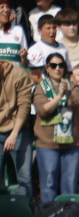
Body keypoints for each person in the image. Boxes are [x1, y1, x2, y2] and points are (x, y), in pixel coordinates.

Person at [32, 53, 79, 202]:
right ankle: (48, 216)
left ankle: (68, 216)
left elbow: (77, 104)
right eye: (53, 65)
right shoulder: (41, 87)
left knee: (69, 185)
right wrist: (59, 96)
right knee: (48, 184)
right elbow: (43, 110)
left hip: (72, 143)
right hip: (47, 143)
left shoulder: (72, 86)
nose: (57, 68)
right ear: (47, 68)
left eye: (61, 65)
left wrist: (65, 93)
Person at [0, 57, 34, 197]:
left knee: (24, 178)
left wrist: (14, 134)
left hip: (19, 130)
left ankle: (27, 214)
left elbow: (24, 106)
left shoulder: (18, 73)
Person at [27, 15, 72, 84]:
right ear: (40, 31)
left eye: (54, 28)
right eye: (48, 28)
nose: (52, 31)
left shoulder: (63, 47)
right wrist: (51, 88)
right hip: (44, 89)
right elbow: (35, 76)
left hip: (63, 85)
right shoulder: (35, 49)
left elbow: (69, 73)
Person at [0, 0, 28, 66]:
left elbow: (25, 64)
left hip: (15, 75)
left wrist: (24, 58)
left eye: (7, 7)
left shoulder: (18, 30)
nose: (6, 10)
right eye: (2, 7)